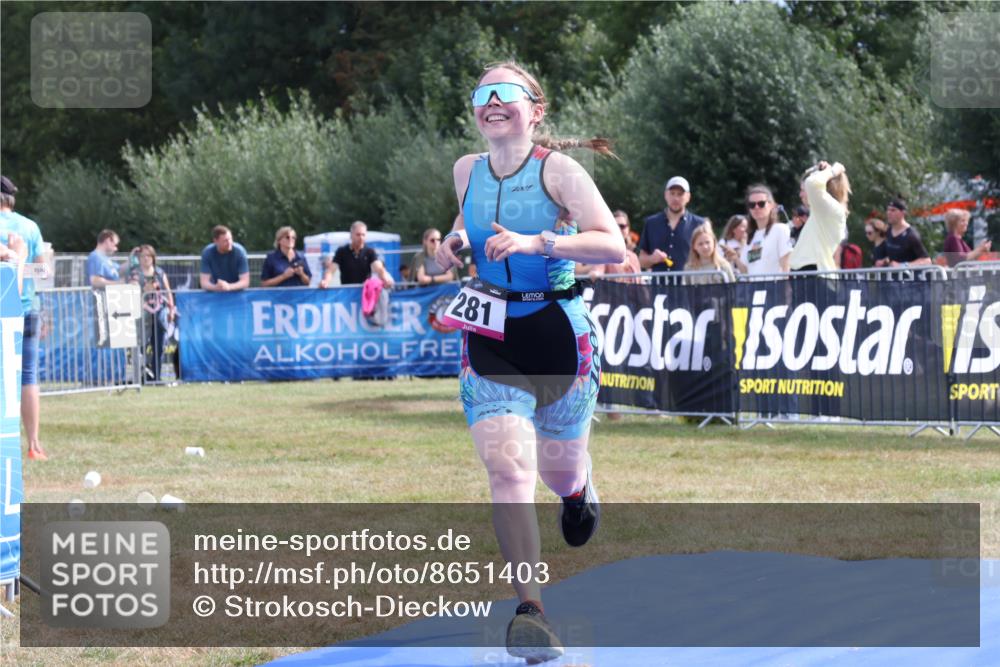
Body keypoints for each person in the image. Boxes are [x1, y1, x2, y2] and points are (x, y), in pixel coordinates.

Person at [435, 61, 624, 663]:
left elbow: (611, 244)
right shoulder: (466, 170)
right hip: (490, 333)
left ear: (534, 110)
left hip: (557, 332)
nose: (490, 102)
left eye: (504, 93)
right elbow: (463, 229)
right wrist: (452, 246)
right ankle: (531, 611)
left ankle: (578, 490)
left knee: (555, 473)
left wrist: (536, 243)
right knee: (508, 470)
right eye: (481, 93)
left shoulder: (559, 171)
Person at [0, 175, 48, 460]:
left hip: (3, 308)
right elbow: (43, 272)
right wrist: (23, 266)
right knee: (28, 375)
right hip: (29, 307)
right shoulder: (30, 226)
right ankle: (33, 444)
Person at [790, 161, 850, 272]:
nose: (800, 195)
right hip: (809, 274)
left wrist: (832, 171)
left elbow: (812, 183)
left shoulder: (833, 211)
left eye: (803, 190)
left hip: (814, 275)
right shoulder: (821, 213)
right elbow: (813, 184)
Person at [128, 245, 176, 382]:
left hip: (159, 314)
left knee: (159, 346)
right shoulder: (135, 273)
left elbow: (167, 291)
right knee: (140, 346)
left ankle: (156, 376)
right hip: (142, 314)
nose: (145, 259)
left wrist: (171, 309)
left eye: (148, 256)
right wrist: (143, 288)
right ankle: (140, 376)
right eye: (142, 256)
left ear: (153, 257)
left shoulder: (160, 273)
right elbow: (132, 288)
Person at [638, 176, 704, 272]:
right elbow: (641, 260)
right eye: (672, 193)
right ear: (665, 195)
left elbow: (710, 257)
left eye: (680, 194)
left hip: (688, 285)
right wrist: (652, 258)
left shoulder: (700, 224)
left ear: (688, 197)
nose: (675, 198)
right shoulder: (651, 223)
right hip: (659, 285)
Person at [319, 221, 395, 288]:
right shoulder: (341, 251)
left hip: (365, 292)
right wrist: (325, 281)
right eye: (358, 235)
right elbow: (331, 270)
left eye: (363, 235)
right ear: (351, 235)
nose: (361, 238)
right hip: (347, 293)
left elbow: (379, 269)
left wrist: (386, 279)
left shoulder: (370, 252)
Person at [742, 184, 792, 276]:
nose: (756, 207)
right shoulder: (750, 236)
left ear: (771, 205)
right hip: (754, 287)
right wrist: (734, 258)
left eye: (761, 204)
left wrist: (786, 288)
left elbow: (786, 265)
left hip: (775, 286)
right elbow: (746, 270)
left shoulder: (780, 229)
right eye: (752, 205)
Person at [873, 198, 931, 268]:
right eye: (888, 210)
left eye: (893, 210)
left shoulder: (911, 235)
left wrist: (903, 265)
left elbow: (927, 260)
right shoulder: (888, 231)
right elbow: (897, 257)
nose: (889, 212)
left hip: (909, 277)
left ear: (903, 213)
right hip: (892, 277)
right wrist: (884, 261)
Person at [199, 225, 250, 292]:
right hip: (215, 293)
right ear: (215, 241)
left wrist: (228, 287)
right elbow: (204, 283)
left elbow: (245, 282)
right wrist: (216, 288)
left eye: (230, 239)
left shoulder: (240, 252)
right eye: (225, 240)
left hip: (237, 293)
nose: (229, 243)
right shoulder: (207, 253)